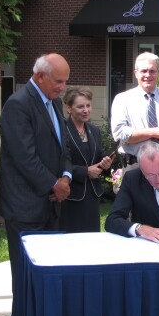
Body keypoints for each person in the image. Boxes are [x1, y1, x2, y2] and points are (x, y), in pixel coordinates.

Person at [0, 54, 74, 316]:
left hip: (51, 202)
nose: (63, 88)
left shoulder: (53, 103)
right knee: (25, 273)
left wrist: (66, 177)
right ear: (40, 76)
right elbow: (24, 157)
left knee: (45, 273)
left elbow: (63, 148)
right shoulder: (18, 105)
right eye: (58, 81)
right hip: (25, 205)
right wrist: (53, 184)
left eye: (66, 81)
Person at [60, 86, 113, 233]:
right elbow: (61, 161)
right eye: (80, 106)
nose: (86, 110)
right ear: (69, 108)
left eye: (88, 105)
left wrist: (105, 164)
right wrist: (85, 171)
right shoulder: (62, 130)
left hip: (92, 195)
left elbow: (99, 155)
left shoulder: (94, 130)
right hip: (71, 196)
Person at [111, 52, 159, 165]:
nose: (148, 75)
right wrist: (154, 132)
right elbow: (120, 133)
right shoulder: (122, 99)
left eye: (152, 71)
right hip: (134, 165)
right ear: (136, 73)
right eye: (143, 71)